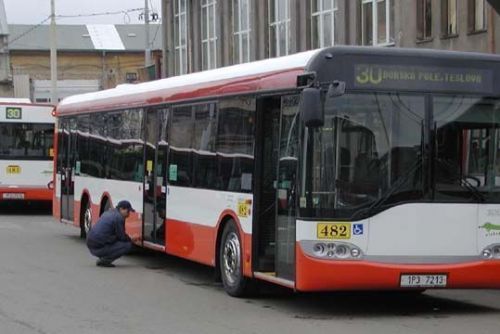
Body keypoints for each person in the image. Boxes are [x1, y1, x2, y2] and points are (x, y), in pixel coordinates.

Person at [86, 200, 135, 267]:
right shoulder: (119, 218)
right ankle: (105, 260)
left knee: (113, 239)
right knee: (127, 245)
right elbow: (122, 237)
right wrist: (131, 239)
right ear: (121, 209)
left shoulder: (108, 212)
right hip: (98, 247)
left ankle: (104, 256)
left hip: (90, 243)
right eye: (128, 211)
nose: (129, 214)